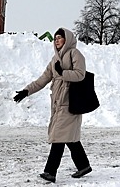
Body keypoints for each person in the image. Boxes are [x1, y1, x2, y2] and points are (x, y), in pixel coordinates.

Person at [13, 27, 92, 183]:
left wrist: (62, 73)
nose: (56, 40)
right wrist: (26, 91)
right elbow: (43, 79)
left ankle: (50, 172)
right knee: (69, 138)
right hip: (58, 103)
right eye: (55, 38)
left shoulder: (75, 54)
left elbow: (80, 75)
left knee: (58, 137)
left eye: (59, 38)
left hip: (70, 103)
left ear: (67, 40)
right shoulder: (54, 59)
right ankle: (84, 166)